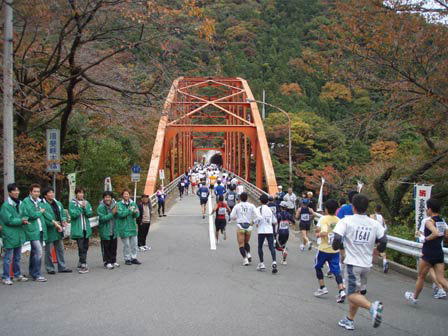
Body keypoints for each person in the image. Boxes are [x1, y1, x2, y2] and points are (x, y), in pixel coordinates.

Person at [332, 194, 387, 331]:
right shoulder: (374, 223)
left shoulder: (346, 221)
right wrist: (377, 250)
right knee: (357, 293)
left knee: (351, 294)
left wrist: (336, 247)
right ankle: (349, 320)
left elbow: (337, 237)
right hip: (367, 265)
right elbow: (384, 240)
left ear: (353, 207)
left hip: (352, 263)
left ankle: (372, 307)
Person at [405, 198, 448, 304]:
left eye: (426, 208)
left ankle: (414, 298)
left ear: (430, 209)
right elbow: (446, 235)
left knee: (421, 276)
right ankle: (414, 297)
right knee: (441, 279)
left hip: (428, 252)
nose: (426, 210)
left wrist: (425, 239)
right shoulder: (442, 221)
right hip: (439, 252)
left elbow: (435, 233)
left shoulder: (429, 221)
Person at [313, 199, 346, 303]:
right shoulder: (338, 220)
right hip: (334, 250)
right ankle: (341, 291)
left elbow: (323, 232)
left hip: (323, 248)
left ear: (326, 209)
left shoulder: (324, 219)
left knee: (318, 266)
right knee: (336, 271)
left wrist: (318, 234)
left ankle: (322, 287)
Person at [1, 183, 29, 285]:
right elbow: (8, 220)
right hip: (9, 234)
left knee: (17, 257)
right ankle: (6, 277)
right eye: (14, 190)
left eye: (17, 190)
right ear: (9, 192)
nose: (16, 192)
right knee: (8, 257)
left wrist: (25, 219)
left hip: (19, 233)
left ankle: (17, 275)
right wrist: (21, 220)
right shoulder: (6, 205)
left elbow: (26, 214)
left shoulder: (20, 203)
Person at [41, 187, 72, 275]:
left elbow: (62, 213)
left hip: (59, 229)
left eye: (52, 192)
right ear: (45, 195)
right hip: (50, 229)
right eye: (49, 193)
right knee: (48, 250)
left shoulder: (57, 203)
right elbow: (44, 218)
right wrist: (53, 224)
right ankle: (50, 268)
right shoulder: (42, 204)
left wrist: (63, 220)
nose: (52, 194)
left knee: (60, 249)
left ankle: (62, 267)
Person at [20, 184, 47, 282]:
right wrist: (40, 212)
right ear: (30, 192)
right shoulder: (26, 202)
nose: (36, 193)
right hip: (32, 230)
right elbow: (31, 214)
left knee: (35, 252)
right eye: (35, 191)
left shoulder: (38, 201)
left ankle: (32, 272)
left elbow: (44, 212)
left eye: (38, 192)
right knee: (39, 252)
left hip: (39, 229)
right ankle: (37, 274)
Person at [230, 192, 262, 266]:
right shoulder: (251, 206)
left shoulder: (237, 206)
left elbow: (231, 216)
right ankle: (249, 254)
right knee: (246, 242)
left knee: (241, 244)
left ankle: (245, 259)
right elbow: (259, 216)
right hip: (248, 227)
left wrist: (237, 217)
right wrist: (253, 221)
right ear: (247, 198)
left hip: (240, 227)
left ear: (240, 198)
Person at [68, 187, 95, 274]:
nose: (81, 194)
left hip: (85, 228)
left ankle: (81, 261)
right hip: (78, 228)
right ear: (76, 194)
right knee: (81, 246)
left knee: (85, 246)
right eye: (79, 193)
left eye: (82, 193)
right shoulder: (72, 203)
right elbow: (73, 214)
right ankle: (83, 264)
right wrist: (80, 208)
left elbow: (90, 213)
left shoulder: (86, 203)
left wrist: (85, 208)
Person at [116, 190, 141, 265]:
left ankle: (134, 258)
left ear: (129, 195)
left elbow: (137, 215)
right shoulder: (119, 204)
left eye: (127, 194)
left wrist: (136, 213)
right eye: (124, 194)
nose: (126, 195)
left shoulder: (133, 203)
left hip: (132, 226)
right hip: (123, 227)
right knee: (126, 245)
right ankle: (127, 259)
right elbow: (120, 214)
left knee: (134, 244)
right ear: (122, 196)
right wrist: (129, 210)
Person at [256, 194, 278, 274]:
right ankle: (274, 262)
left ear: (260, 201)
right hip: (269, 230)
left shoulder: (258, 209)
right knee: (271, 247)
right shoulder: (269, 210)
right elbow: (275, 222)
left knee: (260, 246)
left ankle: (261, 263)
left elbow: (257, 219)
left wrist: (255, 223)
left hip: (261, 230)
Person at [97, 191, 119, 270]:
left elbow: (118, 215)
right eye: (106, 197)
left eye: (109, 197)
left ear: (111, 198)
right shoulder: (101, 207)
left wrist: (117, 212)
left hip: (113, 229)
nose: (107, 199)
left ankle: (113, 260)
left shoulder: (115, 205)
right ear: (103, 198)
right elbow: (102, 219)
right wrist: (112, 213)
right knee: (106, 247)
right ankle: (107, 262)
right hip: (105, 230)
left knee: (114, 246)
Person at [370, 204, 389, 273]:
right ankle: (384, 261)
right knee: (381, 249)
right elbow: (385, 227)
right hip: (381, 235)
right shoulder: (382, 217)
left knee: (372, 247)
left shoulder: (372, 216)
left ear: (375, 209)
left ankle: (370, 262)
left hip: (374, 234)